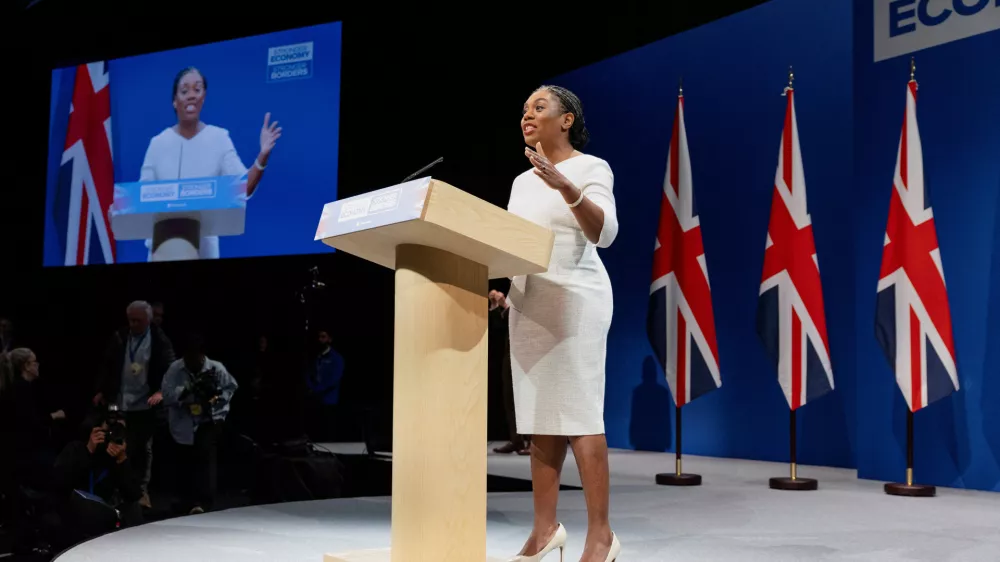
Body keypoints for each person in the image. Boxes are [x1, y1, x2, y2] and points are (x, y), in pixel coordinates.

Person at [494, 85, 621, 562]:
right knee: (540, 420)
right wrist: (503, 284)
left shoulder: (591, 168)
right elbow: (515, 243)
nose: (527, 114)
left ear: (566, 120)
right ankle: (545, 529)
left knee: (581, 415)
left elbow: (604, 232)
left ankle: (601, 536)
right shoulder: (521, 182)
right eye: (524, 108)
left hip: (577, 301)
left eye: (539, 107)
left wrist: (565, 187)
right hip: (529, 301)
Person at [137, 66, 282, 261]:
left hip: (203, 253)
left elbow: (242, 188)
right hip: (162, 249)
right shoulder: (158, 143)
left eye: (197, 90)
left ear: (203, 98)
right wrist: (121, 210)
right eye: (184, 90)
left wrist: (262, 156)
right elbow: (141, 197)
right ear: (174, 100)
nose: (191, 95)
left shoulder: (219, 138)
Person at [93, 300, 176, 508]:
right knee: (115, 444)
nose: (133, 324)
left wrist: (161, 391)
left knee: (142, 449)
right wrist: (102, 390)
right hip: (120, 401)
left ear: (148, 320)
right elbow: (107, 364)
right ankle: (117, 491)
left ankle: (141, 492)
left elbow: (170, 368)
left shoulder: (159, 339)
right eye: (130, 320)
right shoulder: (120, 336)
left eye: (138, 321)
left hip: (146, 404)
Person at [161, 334, 238, 514]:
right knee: (185, 460)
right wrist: (187, 392)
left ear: (202, 355)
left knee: (204, 456)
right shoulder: (175, 369)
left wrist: (215, 398)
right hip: (183, 421)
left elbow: (231, 387)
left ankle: (203, 503)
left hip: (209, 419)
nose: (191, 361)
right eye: (188, 358)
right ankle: (185, 500)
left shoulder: (216, 368)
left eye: (194, 357)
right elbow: (167, 395)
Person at [51, 412, 143, 544]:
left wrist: (121, 461)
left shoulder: (122, 454)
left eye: (119, 430)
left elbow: (133, 495)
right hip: (76, 509)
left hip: (106, 513)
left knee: (134, 509)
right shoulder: (76, 448)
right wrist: (88, 451)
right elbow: (60, 483)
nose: (113, 434)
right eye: (109, 430)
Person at [0, 348, 66, 490]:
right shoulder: (20, 389)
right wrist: (54, 416)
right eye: (35, 362)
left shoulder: (25, 387)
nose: (38, 365)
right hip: (23, 452)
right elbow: (29, 422)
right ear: (26, 366)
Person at [489, 291, 530, 456]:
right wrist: (495, 306)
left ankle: (533, 441)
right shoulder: (514, 292)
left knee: (527, 398)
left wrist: (505, 306)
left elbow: (524, 322)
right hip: (510, 353)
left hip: (528, 353)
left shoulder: (530, 293)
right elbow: (499, 328)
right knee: (509, 398)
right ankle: (516, 439)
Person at [305, 330, 345, 442]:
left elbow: (334, 380)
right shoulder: (314, 357)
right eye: (319, 337)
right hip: (314, 400)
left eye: (323, 337)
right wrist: (311, 388)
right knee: (314, 431)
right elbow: (308, 374)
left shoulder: (336, 358)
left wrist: (317, 390)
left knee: (327, 433)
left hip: (329, 401)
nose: (320, 340)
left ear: (329, 339)